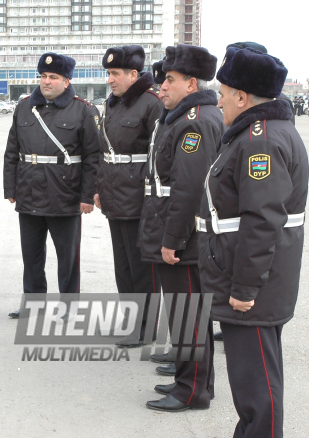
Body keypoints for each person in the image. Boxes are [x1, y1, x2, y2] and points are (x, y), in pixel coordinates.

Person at [198, 46, 307, 437]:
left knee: (256, 389)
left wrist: (244, 288)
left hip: (251, 285)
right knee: (255, 385)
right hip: (253, 276)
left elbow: (262, 220)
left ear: (242, 97)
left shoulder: (259, 140)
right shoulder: (258, 133)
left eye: (223, 92)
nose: (219, 100)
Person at [138, 44, 223, 412]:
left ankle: (192, 392)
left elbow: (189, 189)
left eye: (170, 81)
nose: (162, 87)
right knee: (189, 316)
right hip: (168, 226)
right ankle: (195, 383)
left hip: (181, 238)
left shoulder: (196, 122)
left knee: (188, 316)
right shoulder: (183, 116)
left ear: (191, 84)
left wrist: (172, 240)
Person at [3, 53, 101, 318]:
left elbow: (93, 156)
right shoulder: (24, 107)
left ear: (66, 81)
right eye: (43, 76)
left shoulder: (84, 110)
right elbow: (13, 149)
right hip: (29, 190)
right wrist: (10, 188)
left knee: (67, 258)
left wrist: (87, 196)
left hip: (65, 193)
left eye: (53, 77)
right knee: (31, 255)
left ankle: (69, 307)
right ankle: (34, 304)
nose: (46, 81)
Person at [94, 45, 163, 347]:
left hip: (139, 196)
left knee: (142, 267)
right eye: (108, 73)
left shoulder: (152, 104)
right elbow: (103, 151)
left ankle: (145, 327)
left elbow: (159, 155)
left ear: (134, 74)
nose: (110, 79)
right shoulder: (113, 104)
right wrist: (98, 187)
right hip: (114, 194)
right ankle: (131, 321)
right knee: (123, 265)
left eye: (115, 74)